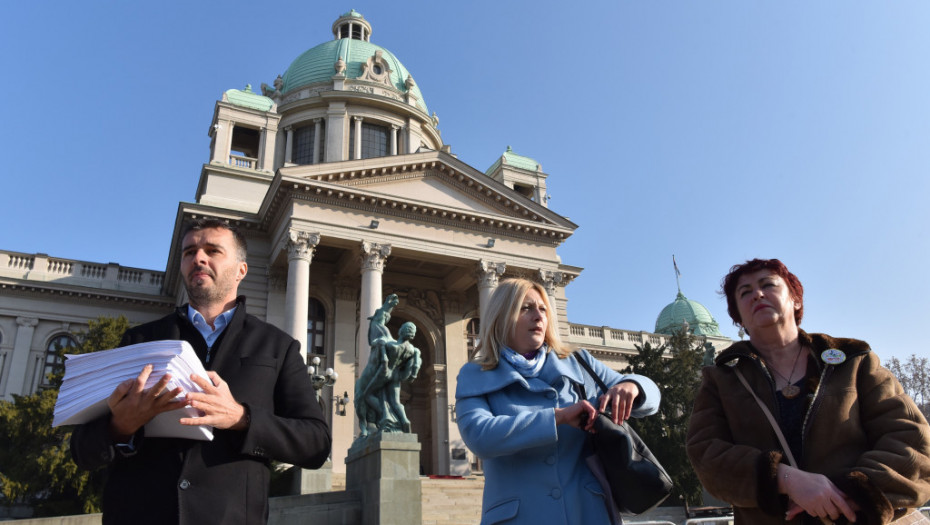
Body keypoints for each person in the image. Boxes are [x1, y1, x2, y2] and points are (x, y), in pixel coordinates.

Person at [71, 219, 332, 524]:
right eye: (189, 252)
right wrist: (120, 426)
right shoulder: (139, 341)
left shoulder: (277, 347)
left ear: (241, 270)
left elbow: (316, 443)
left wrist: (241, 418)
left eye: (212, 250)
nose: (198, 258)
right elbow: (81, 451)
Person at [687, 258, 930, 525]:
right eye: (745, 292)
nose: (757, 293)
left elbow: (911, 438)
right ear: (738, 318)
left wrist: (852, 494)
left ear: (796, 300)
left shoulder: (854, 359)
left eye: (768, 284)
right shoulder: (721, 379)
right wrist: (786, 480)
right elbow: (706, 455)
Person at [455, 278, 661, 525]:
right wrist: (557, 418)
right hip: (519, 518)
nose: (538, 316)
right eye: (526, 308)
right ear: (501, 316)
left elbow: (652, 396)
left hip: (588, 513)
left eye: (543, 309)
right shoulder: (475, 374)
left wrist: (632, 386)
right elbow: (480, 437)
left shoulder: (578, 362)